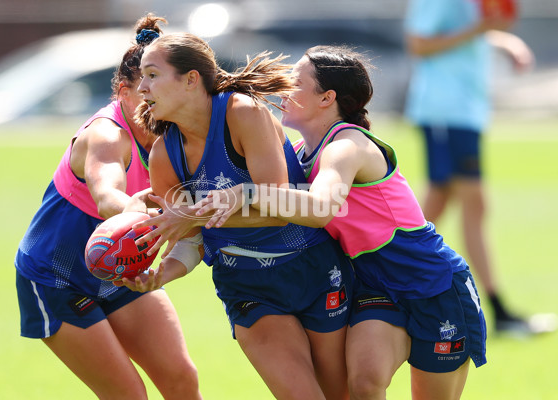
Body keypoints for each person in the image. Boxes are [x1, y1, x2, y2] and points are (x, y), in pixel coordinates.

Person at [193, 45, 488, 399]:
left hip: (433, 283)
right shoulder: (299, 154)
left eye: (295, 82)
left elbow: (319, 208)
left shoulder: (347, 146)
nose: (283, 88)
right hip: (373, 286)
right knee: (363, 383)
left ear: (326, 97)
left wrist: (247, 192)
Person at [123, 32, 355, 400]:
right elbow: (190, 240)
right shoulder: (165, 157)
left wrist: (192, 217)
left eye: (152, 75)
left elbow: (278, 209)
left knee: (342, 394)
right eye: (141, 78)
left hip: (312, 268)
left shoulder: (242, 113)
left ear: (191, 79)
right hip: (246, 284)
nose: (142, 88)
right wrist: (161, 274)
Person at [14, 14, 202, 400]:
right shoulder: (106, 134)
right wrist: (139, 211)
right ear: (122, 91)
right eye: (143, 88)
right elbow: (107, 197)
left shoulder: (176, 137)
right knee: (128, 395)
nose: (152, 98)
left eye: (159, 86)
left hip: (120, 269)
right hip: (57, 278)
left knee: (182, 379)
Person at [403, 0, 535, 334]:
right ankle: (499, 310)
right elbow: (419, 43)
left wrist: (504, 42)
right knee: (474, 203)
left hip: (463, 111)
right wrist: (479, 28)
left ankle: (385, 286)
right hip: (447, 111)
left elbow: (460, 35)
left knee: (435, 205)